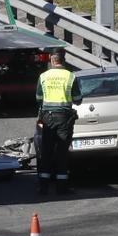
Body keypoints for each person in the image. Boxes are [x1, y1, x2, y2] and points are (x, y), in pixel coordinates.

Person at [35, 50, 82, 195]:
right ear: (64, 60)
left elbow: (38, 98)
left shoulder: (43, 76)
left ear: (51, 59)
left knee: (46, 151)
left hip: (48, 117)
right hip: (64, 118)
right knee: (62, 152)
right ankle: (62, 187)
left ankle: (44, 187)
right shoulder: (70, 76)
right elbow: (78, 99)